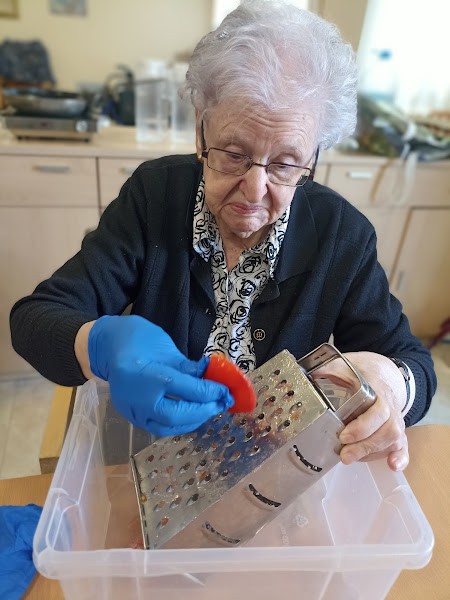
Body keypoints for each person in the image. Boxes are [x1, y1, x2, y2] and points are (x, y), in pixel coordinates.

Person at [10, 0, 436, 473]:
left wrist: (392, 383)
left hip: (275, 471)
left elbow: (413, 362)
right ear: (201, 130)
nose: (255, 190)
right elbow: (34, 319)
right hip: (153, 456)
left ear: (314, 154)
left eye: (285, 163)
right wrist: (97, 345)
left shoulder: (342, 234)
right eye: (233, 154)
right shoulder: (154, 195)